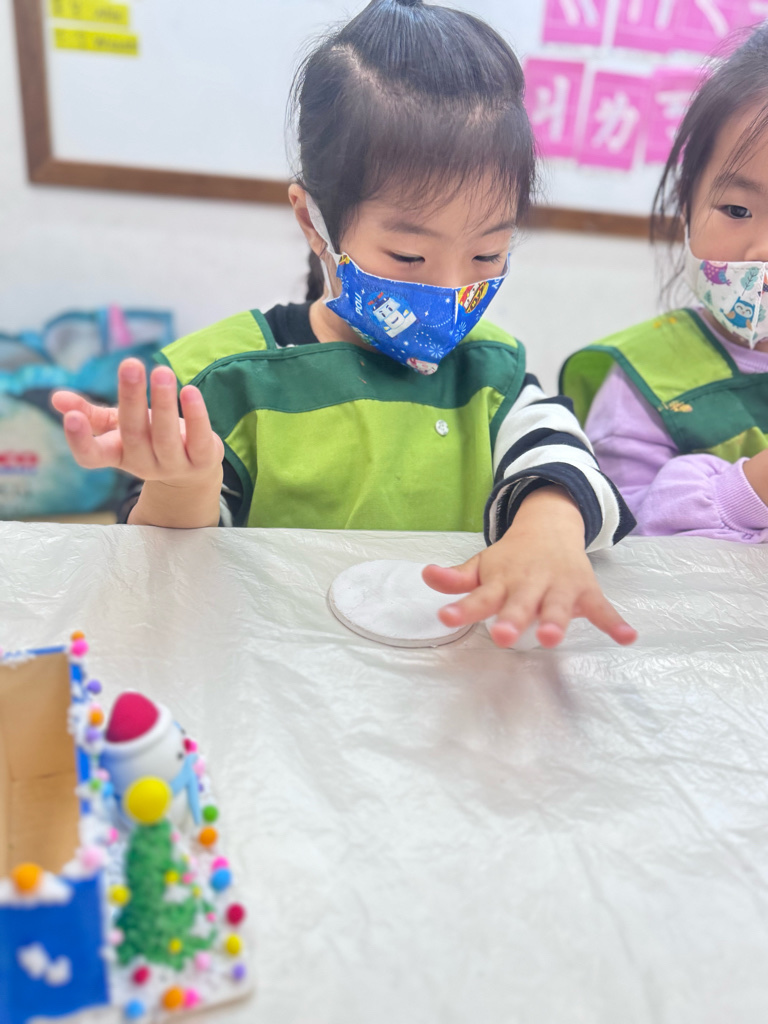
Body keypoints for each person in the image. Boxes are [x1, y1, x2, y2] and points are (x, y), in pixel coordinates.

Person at [52, 0, 637, 649]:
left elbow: (565, 458)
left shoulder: (491, 371)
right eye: (408, 257)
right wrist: (183, 483)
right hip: (281, 674)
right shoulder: (227, 380)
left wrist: (547, 527)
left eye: (487, 255)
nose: (449, 290)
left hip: (441, 682)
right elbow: (165, 577)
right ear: (313, 220)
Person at [561, 24, 768, 543]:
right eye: (737, 210)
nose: (761, 250)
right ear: (686, 202)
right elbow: (630, 551)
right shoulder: (643, 383)